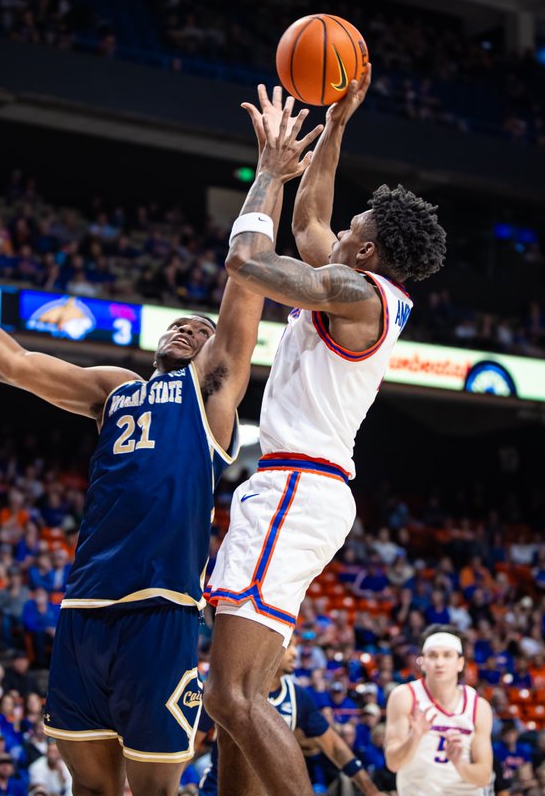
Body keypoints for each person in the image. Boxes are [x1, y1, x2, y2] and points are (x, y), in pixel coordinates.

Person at [0, 87, 306, 796]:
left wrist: (268, 173)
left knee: (155, 789)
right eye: (178, 323)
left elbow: (243, 288)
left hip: (160, 611)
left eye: (200, 329)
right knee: (91, 790)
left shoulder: (210, 394)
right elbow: (13, 365)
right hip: (84, 610)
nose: (187, 327)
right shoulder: (114, 389)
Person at [203, 76, 446, 796]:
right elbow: (311, 218)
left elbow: (248, 264)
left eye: (350, 231)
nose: (334, 233)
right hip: (305, 489)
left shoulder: (356, 295)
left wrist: (267, 176)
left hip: (296, 486)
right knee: (238, 701)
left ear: (365, 253)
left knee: (231, 696)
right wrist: (336, 125)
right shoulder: (363, 286)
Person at [197, 640, 387, 796]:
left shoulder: (297, 696)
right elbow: (193, 742)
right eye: (289, 645)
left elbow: (335, 747)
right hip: (220, 788)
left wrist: (372, 791)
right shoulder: (231, 689)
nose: (295, 653)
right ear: (265, 647)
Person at [384, 626, 494, 795]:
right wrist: (415, 737)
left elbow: (484, 777)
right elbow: (393, 763)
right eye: (433, 655)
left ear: (460, 663)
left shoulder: (478, 706)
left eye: (447, 655)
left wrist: (459, 764)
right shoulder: (405, 696)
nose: (439, 663)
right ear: (422, 662)